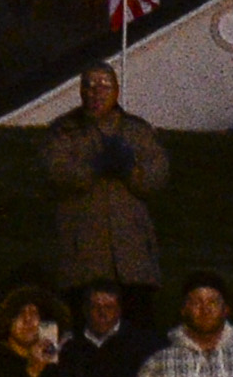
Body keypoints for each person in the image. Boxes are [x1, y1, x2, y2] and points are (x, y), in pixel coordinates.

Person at [44, 66, 172, 310]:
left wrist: (130, 170)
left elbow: (157, 176)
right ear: (81, 92)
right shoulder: (65, 130)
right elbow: (54, 171)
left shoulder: (137, 130)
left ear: (116, 91)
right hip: (82, 260)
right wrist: (92, 168)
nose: (96, 92)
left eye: (104, 85)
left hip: (133, 262)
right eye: (90, 86)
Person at [55, 279, 160, 377]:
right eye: (95, 307)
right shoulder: (70, 348)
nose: (102, 313)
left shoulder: (139, 345)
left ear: (119, 310)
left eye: (109, 307)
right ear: (85, 310)